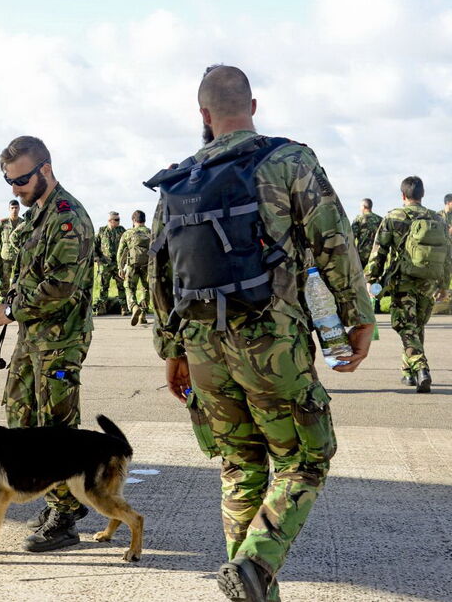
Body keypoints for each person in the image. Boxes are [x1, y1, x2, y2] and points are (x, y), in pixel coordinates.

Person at [150, 65, 374, 602]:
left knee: (239, 466)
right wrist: (357, 316)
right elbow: (333, 241)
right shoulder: (290, 160)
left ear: (203, 115)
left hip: (203, 346)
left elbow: (158, 271)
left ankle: (252, 588)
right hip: (271, 343)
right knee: (304, 459)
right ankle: (256, 561)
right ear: (254, 105)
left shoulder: (176, 180)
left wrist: (172, 350)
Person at [0, 135, 95, 552]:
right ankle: (59, 500)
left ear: (45, 170)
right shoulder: (37, 216)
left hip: (60, 340)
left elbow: (61, 286)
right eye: (9, 182)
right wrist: (10, 301)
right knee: (21, 422)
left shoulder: (67, 218)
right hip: (32, 338)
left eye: (20, 180)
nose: (15, 190)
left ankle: (66, 515)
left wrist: (14, 310)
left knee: (55, 430)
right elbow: (27, 274)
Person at [366, 177, 452, 392]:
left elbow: (379, 252)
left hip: (402, 281)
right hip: (428, 283)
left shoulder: (393, 217)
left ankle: (421, 367)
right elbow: (447, 256)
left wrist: (372, 280)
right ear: (422, 195)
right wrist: (444, 285)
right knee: (415, 326)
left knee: (407, 326)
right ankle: (408, 372)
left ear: (403, 195)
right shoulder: (437, 219)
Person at [116, 210, 151, 326]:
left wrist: (120, 268)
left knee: (129, 287)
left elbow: (120, 252)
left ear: (133, 220)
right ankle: (143, 315)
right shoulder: (150, 233)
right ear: (144, 220)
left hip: (132, 265)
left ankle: (134, 306)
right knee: (147, 289)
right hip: (147, 265)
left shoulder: (128, 233)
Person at [352, 199, 383, 312]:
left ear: (363, 207)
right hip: (377, 254)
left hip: (362, 254)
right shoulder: (380, 220)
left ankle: (361, 304)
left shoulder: (359, 219)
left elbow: (352, 236)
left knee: (358, 279)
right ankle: (376, 305)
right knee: (375, 278)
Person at [0, 200, 23, 296]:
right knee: (5, 280)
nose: (14, 210)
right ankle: (3, 301)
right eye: (12, 208)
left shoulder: (23, 223)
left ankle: (16, 300)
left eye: (16, 208)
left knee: (19, 279)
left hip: (18, 257)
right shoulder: (3, 223)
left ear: (19, 209)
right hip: (5, 257)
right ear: (9, 209)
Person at [94, 212, 127, 313]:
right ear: (110, 221)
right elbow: (95, 246)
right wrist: (97, 258)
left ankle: (124, 307)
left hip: (118, 264)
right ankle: (102, 307)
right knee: (103, 286)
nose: (118, 221)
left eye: (119, 219)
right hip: (105, 264)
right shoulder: (102, 231)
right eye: (116, 220)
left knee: (121, 286)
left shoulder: (122, 230)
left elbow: (127, 245)